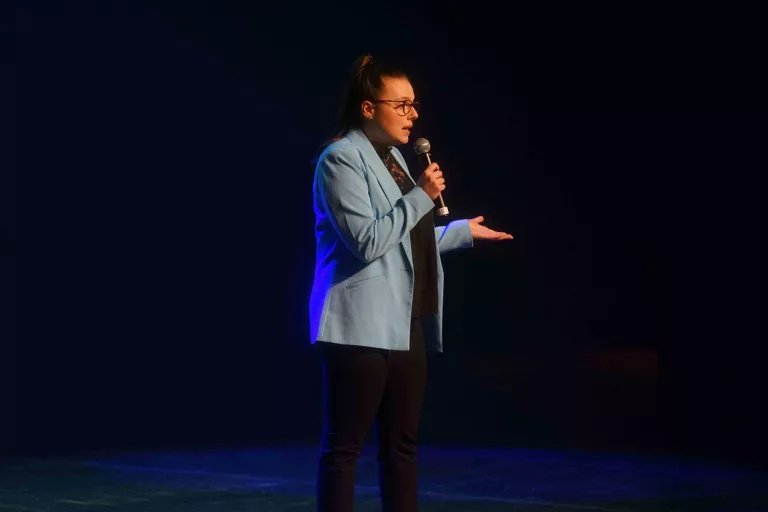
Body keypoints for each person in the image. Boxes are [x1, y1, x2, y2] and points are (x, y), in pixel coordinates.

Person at [309, 54, 513, 512]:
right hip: (360, 328)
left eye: (414, 104)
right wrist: (423, 194)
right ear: (368, 108)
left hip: (406, 321)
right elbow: (368, 240)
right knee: (345, 449)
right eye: (401, 105)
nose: (413, 114)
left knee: (402, 447)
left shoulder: (395, 159)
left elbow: (406, 237)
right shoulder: (339, 159)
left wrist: (458, 232)